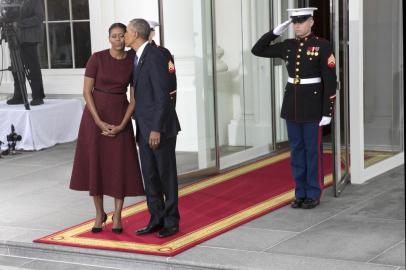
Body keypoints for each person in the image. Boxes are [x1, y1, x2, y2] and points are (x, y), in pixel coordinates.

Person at [252, 7, 337, 209]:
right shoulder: (287, 46)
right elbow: (257, 50)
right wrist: (274, 32)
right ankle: (300, 192)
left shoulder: (322, 46)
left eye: (302, 21)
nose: (297, 25)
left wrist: (327, 111)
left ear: (311, 22)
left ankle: (313, 193)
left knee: (312, 152)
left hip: (313, 108)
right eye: (295, 22)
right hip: (292, 106)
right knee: (297, 151)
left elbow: (330, 81)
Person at [70, 23, 145, 234]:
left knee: (118, 166)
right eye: (114, 36)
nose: (118, 40)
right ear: (108, 38)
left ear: (127, 37)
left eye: (122, 36)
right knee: (97, 164)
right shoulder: (97, 58)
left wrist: (122, 124)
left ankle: (118, 214)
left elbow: (135, 97)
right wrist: (98, 121)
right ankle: (99, 213)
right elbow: (87, 92)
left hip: (121, 115)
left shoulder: (133, 60)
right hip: (95, 118)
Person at [124, 18, 181, 238]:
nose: (125, 36)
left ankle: (171, 221)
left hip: (160, 129)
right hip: (145, 128)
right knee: (150, 176)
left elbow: (163, 96)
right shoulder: (138, 56)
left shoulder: (156, 56)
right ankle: (156, 218)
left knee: (166, 176)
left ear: (137, 34)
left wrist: (156, 129)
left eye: (127, 32)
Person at [7, 0, 46, 106]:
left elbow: (39, 17)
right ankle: (19, 96)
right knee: (16, 67)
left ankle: (37, 96)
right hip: (15, 38)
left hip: (30, 38)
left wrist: (20, 23)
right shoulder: (14, 1)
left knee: (33, 68)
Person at [147, 20, 177, 106]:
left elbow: (171, 78)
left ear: (153, 33)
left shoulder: (163, 52)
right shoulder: (132, 53)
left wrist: (170, 101)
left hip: (158, 102)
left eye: (147, 31)